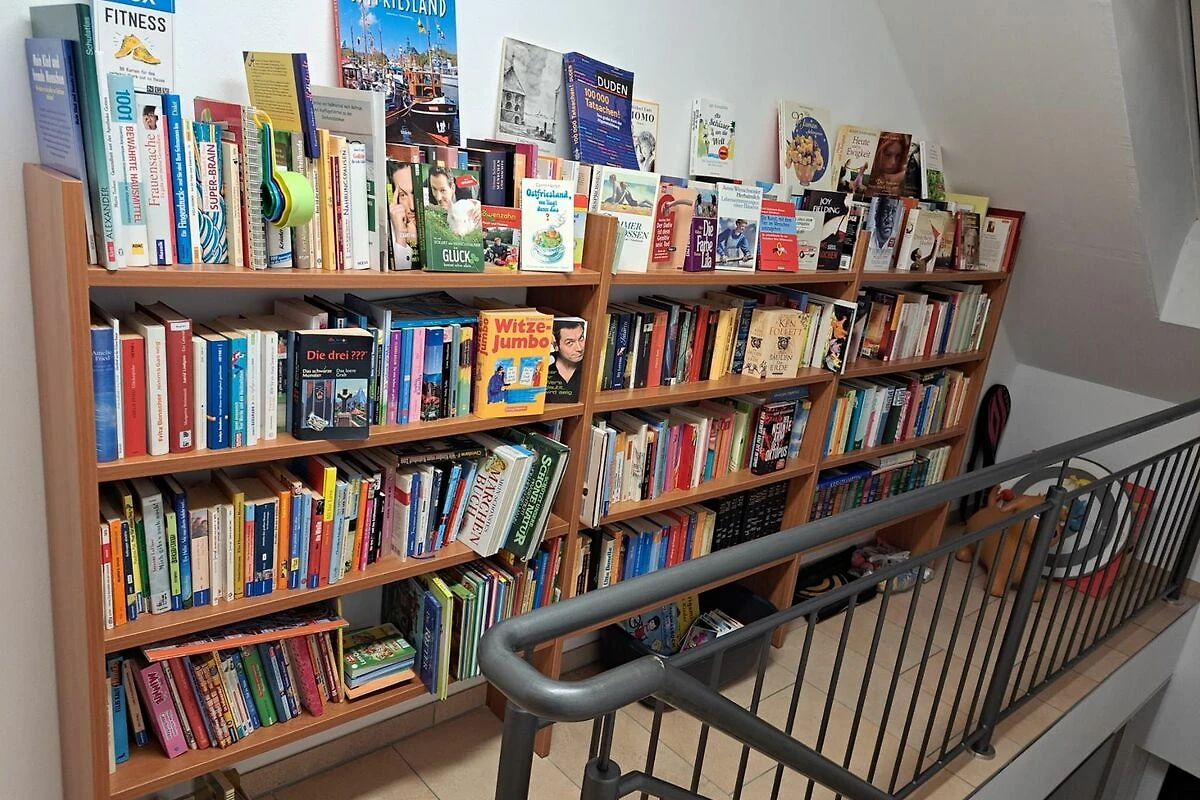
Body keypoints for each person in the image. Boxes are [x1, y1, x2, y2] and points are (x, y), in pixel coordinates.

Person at [547, 319, 585, 402]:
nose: (579, 348)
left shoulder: (589, 366)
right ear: (556, 346)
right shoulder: (545, 368)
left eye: (581, 338)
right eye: (569, 342)